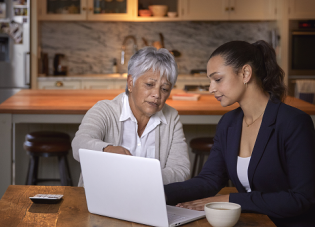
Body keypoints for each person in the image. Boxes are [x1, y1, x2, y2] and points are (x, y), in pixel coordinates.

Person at [164, 40, 315, 226]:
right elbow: (210, 179)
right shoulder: (228, 123)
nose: (211, 89)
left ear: (245, 73)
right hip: (251, 221)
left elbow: (302, 198)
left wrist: (232, 200)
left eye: (217, 79)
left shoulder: (294, 122)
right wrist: (159, 193)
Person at [72, 47, 190, 187]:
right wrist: (107, 150)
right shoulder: (104, 110)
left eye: (164, 89)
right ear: (130, 83)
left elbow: (181, 171)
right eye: (149, 84)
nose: (157, 94)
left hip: (149, 202)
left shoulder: (171, 117)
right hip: (100, 200)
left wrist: (139, 176)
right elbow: (79, 144)